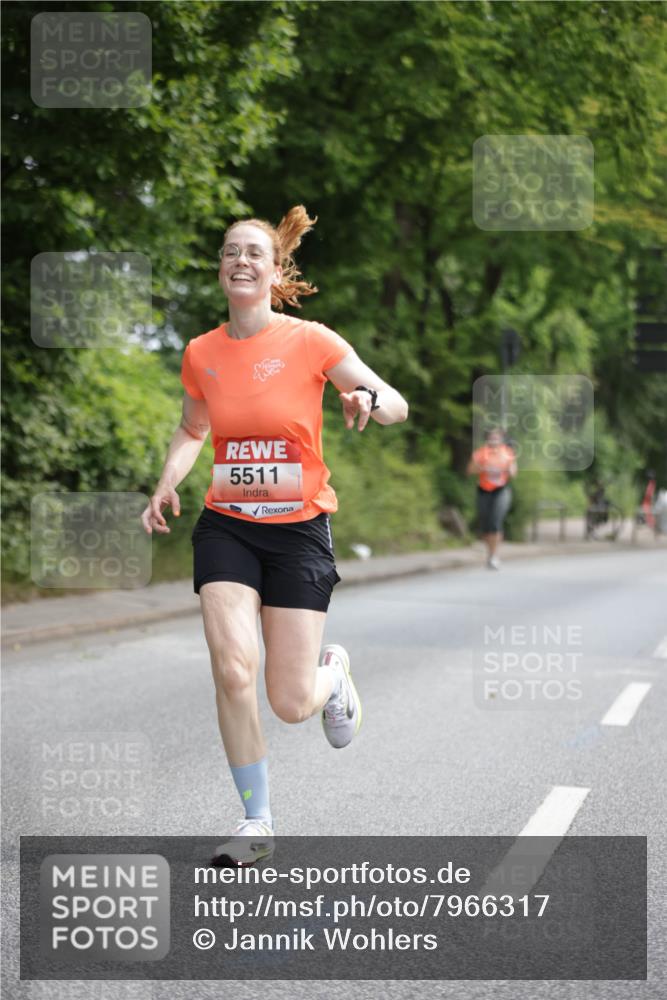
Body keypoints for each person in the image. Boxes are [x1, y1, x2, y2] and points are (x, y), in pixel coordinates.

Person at [141, 206, 408, 864]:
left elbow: (395, 402)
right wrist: (168, 480)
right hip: (227, 526)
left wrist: (364, 401)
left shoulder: (311, 340)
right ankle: (256, 822)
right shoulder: (201, 353)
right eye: (231, 250)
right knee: (233, 670)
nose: (240, 260)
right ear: (221, 268)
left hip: (299, 533)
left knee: (289, 702)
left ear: (274, 269)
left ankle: (332, 673)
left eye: (253, 252)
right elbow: (192, 430)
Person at [467, 427, 517, 569]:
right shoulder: (480, 453)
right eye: (492, 436)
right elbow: (470, 470)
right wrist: (483, 466)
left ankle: (494, 555)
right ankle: (489, 553)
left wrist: (507, 466)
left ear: (501, 439)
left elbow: (513, 473)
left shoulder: (507, 453)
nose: (494, 439)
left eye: (497, 437)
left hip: (501, 490)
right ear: (487, 438)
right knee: (486, 523)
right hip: (484, 489)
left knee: (496, 521)